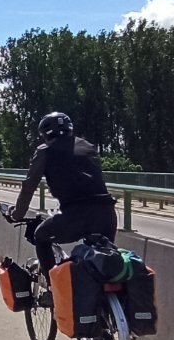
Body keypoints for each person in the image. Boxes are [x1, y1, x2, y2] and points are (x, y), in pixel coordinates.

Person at [8, 112, 117, 284]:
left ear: (45, 134)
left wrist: (17, 214)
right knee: (101, 261)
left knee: (41, 236)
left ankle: (53, 289)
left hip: (75, 215)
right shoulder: (88, 146)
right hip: (106, 214)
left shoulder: (45, 151)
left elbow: (29, 187)